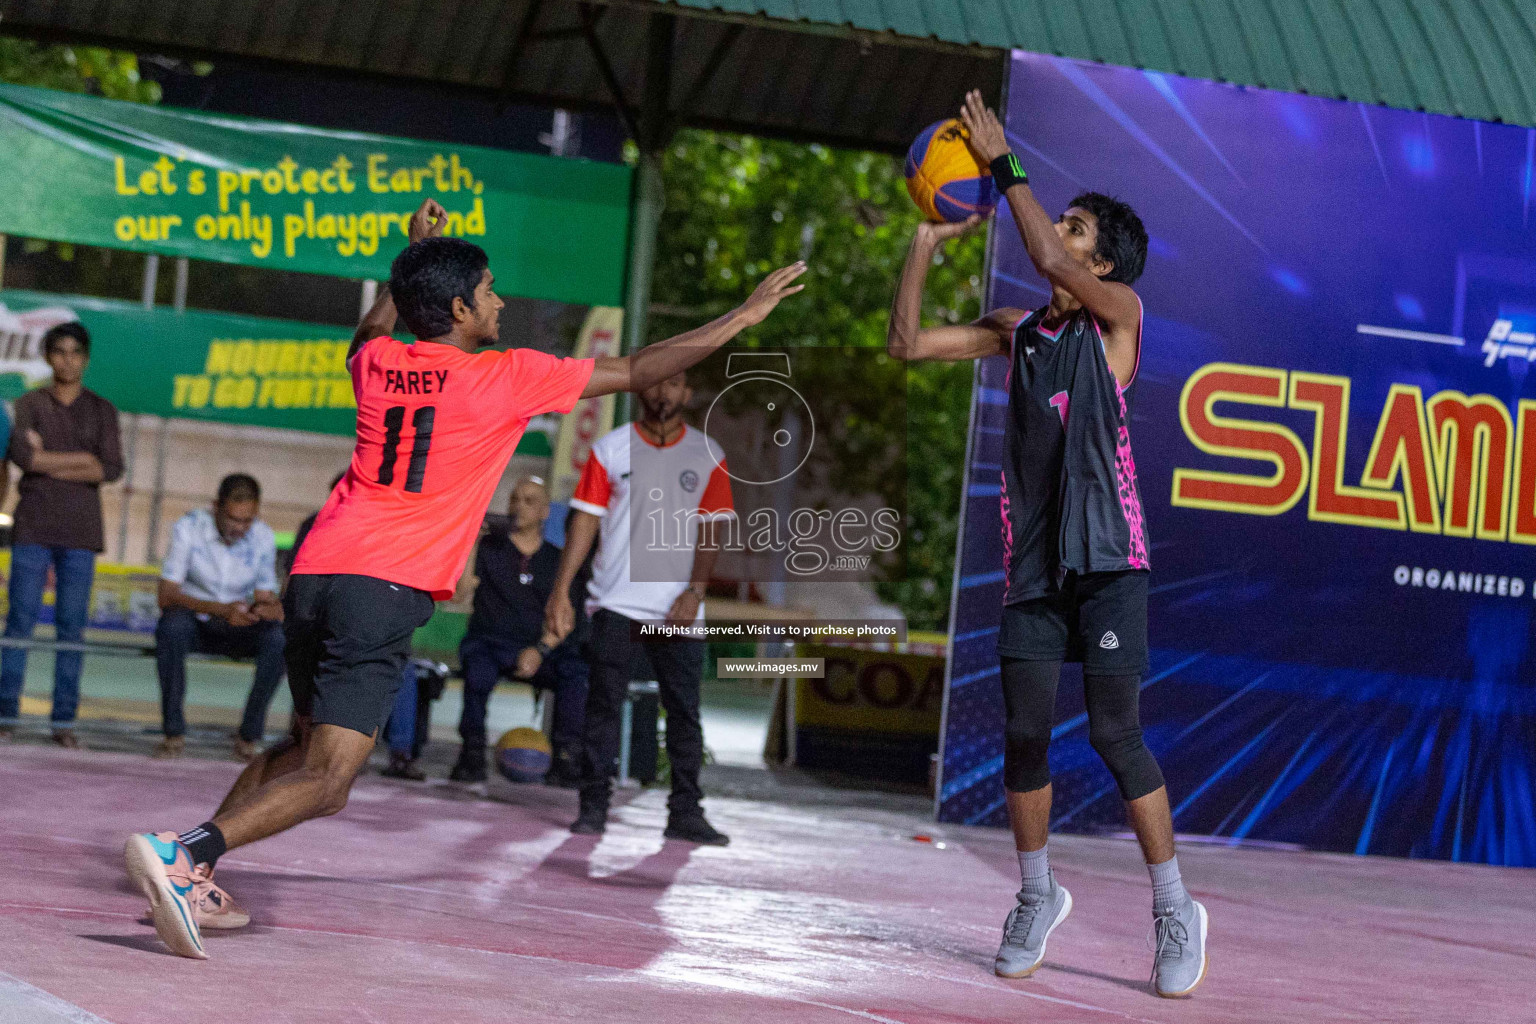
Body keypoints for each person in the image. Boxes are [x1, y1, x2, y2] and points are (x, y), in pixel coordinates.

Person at [123, 197, 806, 959]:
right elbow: (642, 368)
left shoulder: (379, 364)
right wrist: (742, 317)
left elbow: (369, 330)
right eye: (488, 290)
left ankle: (198, 870)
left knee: (300, 746)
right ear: (457, 307)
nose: (501, 300)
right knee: (330, 781)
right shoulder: (505, 379)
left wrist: (409, 256)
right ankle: (183, 853)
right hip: (379, 589)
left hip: (316, 572)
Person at [884, 92, 1206, 998]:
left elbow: (1041, 251)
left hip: (1108, 562)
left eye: (1074, 231)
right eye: (1056, 224)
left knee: (1114, 734)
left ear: (1098, 261)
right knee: (1025, 734)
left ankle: (1174, 908)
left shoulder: (1119, 320)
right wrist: (920, 244)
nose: (1055, 239)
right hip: (1034, 565)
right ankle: (1036, 893)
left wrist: (1003, 165)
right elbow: (906, 344)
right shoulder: (1018, 332)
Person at [544, 371, 736, 846]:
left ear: (687, 394)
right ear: (641, 391)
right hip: (617, 602)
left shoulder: (709, 454)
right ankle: (593, 806)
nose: (663, 392)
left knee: (684, 713)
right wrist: (562, 588)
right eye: (655, 383)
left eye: (674, 385)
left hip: (679, 609)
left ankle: (686, 811)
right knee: (603, 706)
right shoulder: (610, 449)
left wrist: (695, 591)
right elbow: (586, 522)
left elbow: (713, 529)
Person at [0, 322, 122, 747]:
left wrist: (46, 458)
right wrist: (81, 461)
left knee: (72, 629)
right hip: (32, 526)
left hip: (81, 534)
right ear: (48, 357)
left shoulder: (102, 410)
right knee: (19, 622)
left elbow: (109, 468)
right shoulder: (29, 404)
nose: (67, 360)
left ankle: (63, 723)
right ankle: (6, 714)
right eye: (59, 352)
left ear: (85, 358)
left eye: (75, 352)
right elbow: (23, 459)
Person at [449, 476, 590, 786]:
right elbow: (460, 595)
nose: (519, 506)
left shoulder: (558, 560)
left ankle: (566, 758)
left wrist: (540, 651)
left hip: (538, 648)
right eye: (515, 499)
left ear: (544, 512)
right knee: (477, 670)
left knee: (575, 673)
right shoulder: (487, 548)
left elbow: (566, 618)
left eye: (529, 501)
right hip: (490, 642)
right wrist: (471, 542)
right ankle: (471, 755)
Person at [154, 473, 285, 762]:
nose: (240, 528)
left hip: (238, 623)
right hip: (196, 623)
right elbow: (166, 596)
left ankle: (249, 736)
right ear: (216, 507)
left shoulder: (262, 535)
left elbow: (264, 594)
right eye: (233, 519)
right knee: (171, 628)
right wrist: (220, 610)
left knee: (279, 639)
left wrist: (265, 608)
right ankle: (173, 732)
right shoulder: (188, 527)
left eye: (248, 520)